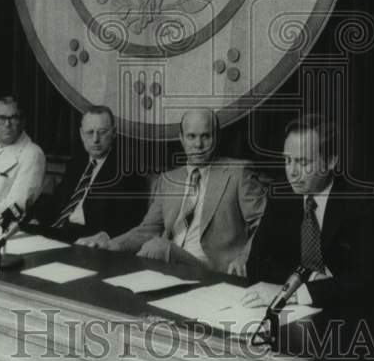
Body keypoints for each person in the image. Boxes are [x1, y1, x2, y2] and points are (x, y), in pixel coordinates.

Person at [241, 114, 374, 309]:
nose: (292, 172)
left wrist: (295, 293)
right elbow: (257, 264)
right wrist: (311, 278)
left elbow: (369, 279)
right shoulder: (281, 195)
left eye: (303, 163)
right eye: (287, 160)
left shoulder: (364, 200)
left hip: (373, 311)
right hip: (305, 310)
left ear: (331, 161)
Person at [83, 108, 266, 275]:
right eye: (191, 136)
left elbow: (263, 223)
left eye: (206, 136)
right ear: (181, 138)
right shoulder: (169, 179)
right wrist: (110, 245)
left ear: (216, 137)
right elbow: (148, 229)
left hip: (212, 267)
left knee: (157, 247)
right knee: (155, 247)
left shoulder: (238, 173)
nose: (198, 144)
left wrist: (244, 257)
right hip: (169, 263)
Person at [30, 105, 146, 237]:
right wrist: (37, 219)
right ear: (81, 134)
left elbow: (129, 221)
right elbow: (58, 200)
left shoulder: (127, 170)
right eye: (90, 132)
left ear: (114, 133)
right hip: (58, 230)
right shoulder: (78, 161)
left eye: (102, 132)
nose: (95, 139)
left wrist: (104, 237)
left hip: (88, 238)